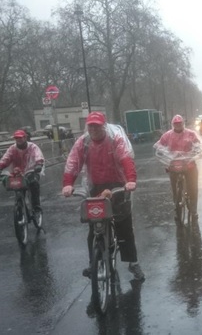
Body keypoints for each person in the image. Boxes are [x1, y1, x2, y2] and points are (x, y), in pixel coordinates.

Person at [62, 111, 144, 281]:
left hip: (118, 185)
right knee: (94, 226)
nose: (94, 129)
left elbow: (126, 160)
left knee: (124, 225)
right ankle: (94, 263)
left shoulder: (115, 141)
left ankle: (133, 263)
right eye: (91, 126)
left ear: (103, 126)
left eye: (97, 126)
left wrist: (130, 180)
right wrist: (68, 183)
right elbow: (72, 163)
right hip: (95, 187)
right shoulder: (83, 142)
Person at [154, 114, 202, 222]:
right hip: (174, 166)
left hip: (189, 165)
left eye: (180, 124)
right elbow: (159, 146)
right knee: (175, 189)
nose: (178, 126)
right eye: (176, 124)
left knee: (193, 188)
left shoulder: (190, 134)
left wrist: (195, 153)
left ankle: (193, 209)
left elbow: (198, 145)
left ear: (183, 124)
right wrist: (164, 155)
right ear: (173, 125)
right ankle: (176, 207)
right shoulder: (167, 135)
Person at [0, 130, 45, 217]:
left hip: (31, 170)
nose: (18, 140)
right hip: (17, 172)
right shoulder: (12, 148)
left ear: (25, 137)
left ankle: (36, 206)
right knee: (17, 187)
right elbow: (6, 158)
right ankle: (21, 205)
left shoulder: (32, 147)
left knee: (34, 184)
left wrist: (39, 164)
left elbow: (38, 156)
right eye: (16, 138)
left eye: (20, 138)